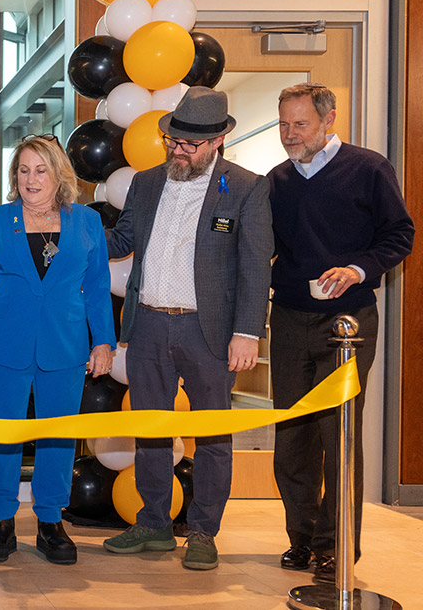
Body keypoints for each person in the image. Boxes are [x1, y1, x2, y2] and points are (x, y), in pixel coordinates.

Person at [103, 86, 273, 571]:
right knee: (150, 430)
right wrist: (69, 225)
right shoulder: (148, 182)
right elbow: (123, 239)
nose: (177, 150)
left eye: (188, 145)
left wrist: (248, 332)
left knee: (213, 435)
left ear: (217, 140)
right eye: (172, 140)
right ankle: (154, 523)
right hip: (150, 325)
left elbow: (256, 266)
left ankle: (202, 531)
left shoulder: (246, 187)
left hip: (211, 332)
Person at [268, 82, 414, 583]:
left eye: (299, 124)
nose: (289, 134)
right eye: (283, 123)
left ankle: (337, 546)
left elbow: (401, 235)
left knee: (340, 437)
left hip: (347, 324)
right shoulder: (277, 180)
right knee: (291, 440)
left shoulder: (369, 168)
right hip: (287, 319)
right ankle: (302, 539)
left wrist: (358, 268)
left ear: (329, 120)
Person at [0, 134, 115, 565]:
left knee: (58, 436)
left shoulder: (86, 222)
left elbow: (98, 288)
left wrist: (103, 339)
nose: (31, 179)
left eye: (40, 169)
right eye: (23, 170)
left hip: (65, 345)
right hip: (5, 344)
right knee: (2, 434)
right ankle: (1, 521)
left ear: (58, 174)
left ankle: (50, 520)